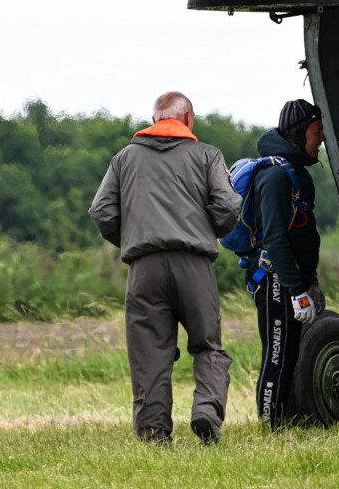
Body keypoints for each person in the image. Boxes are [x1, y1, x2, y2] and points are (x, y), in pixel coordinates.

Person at [89, 91, 239, 445]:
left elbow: (101, 211)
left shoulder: (124, 158)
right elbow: (228, 206)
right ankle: (206, 411)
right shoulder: (207, 156)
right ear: (188, 119)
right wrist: (206, 230)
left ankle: (153, 432)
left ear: (155, 120)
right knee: (207, 345)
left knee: (150, 353)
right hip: (194, 264)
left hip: (143, 268)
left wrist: (133, 239)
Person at [249, 98, 327, 429]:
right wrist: (296, 289)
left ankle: (288, 419)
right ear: (299, 134)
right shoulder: (275, 177)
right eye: (317, 131)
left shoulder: (296, 174)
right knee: (278, 355)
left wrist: (312, 283)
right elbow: (276, 239)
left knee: (291, 354)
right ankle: (271, 426)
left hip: (293, 280)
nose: (322, 138)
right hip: (275, 280)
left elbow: (303, 237)